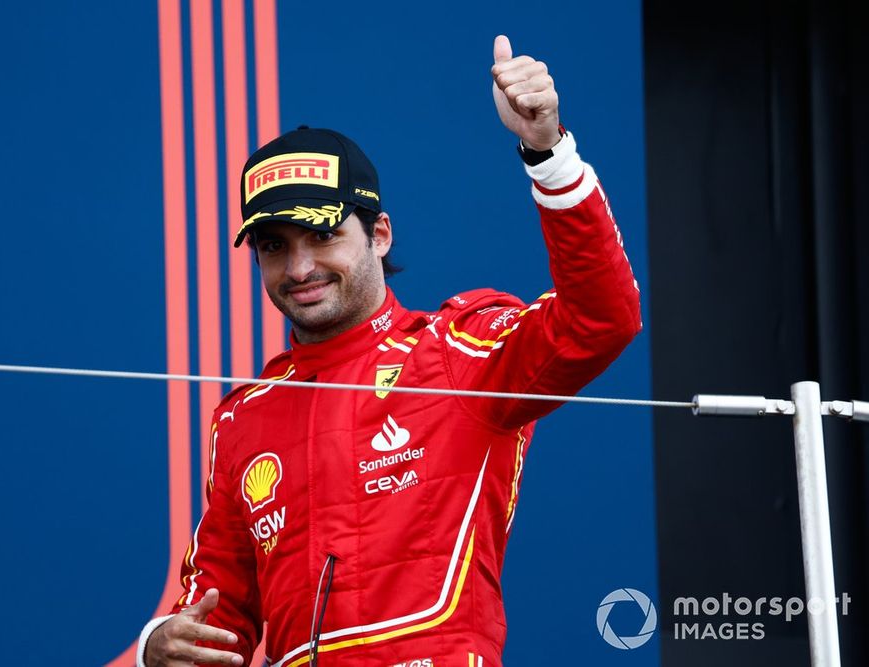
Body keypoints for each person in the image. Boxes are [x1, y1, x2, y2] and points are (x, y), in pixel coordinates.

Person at [138, 34, 641, 667]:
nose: (299, 268)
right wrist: (161, 644)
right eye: (273, 246)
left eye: (321, 236)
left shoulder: (461, 350)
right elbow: (218, 617)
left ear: (379, 233)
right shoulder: (244, 418)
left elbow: (602, 319)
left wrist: (549, 155)